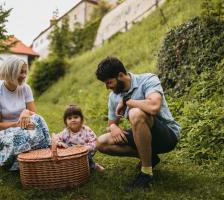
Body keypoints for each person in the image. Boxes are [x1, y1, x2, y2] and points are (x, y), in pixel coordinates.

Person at [95, 56, 181, 191]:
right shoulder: (113, 96)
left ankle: (146, 173)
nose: (107, 87)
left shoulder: (148, 79)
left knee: (135, 113)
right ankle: (150, 158)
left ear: (120, 75)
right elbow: (111, 123)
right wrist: (113, 127)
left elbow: (154, 106)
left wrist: (126, 101)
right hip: (142, 136)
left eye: (109, 82)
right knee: (101, 142)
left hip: (166, 136)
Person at [0, 56, 51, 171]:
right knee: (20, 136)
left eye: (25, 72)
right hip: (3, 131)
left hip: (25, 126)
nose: (23, 75)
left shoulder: (25, 88)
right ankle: (10, 161)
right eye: (20, 72)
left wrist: (25, 112)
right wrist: (19, 124)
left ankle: (45, 152)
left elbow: (34, 115)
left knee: (39, 120)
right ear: (10, 71)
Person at [56, 105, 104, 172]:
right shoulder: (66, 131)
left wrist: (84, 148)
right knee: (65, 149)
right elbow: (56, 138)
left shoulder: (86, 130)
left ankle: (93, 166)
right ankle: (72, 167)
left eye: (76, 117)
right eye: (69, 118)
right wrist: (59, 142)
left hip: (85, 152)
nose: (73, 120)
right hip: (71, 153)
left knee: (87, 156)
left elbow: (94, 141)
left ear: (81, 119)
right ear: (66, 121)